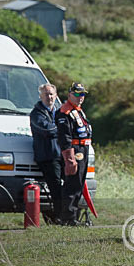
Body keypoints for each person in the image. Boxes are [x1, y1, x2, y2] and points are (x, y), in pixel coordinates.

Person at [55, 82, 93, 226]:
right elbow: (65, 138)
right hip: (75, 152)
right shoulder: (65, 112)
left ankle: (73, 217)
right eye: (76, 94)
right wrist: (70, 159)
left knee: (78, 184)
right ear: (69, 94)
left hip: (83, 150)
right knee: (72, 185)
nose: (80, 97)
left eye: (82, 94)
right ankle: (68, 218)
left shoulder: (78, 110)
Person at [29, 83, 63, 223]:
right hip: (47, 156)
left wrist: (61, 129)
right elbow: (46, 130)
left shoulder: (59, 111)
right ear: (40, 96)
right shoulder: (36, 113)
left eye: (51, 94)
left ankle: (67, 215)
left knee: (68, 185)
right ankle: (59, 217)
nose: (49, 97)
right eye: (46, 94)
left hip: (61, 155)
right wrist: (62, 128)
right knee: (55, 186)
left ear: (56, 96)